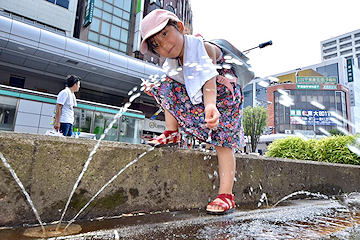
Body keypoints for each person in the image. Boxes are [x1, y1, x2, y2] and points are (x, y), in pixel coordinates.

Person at [140, 9, 245, 215]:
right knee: (162, 83)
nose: (164, 45)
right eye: (156, 45)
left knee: (222, 141)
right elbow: (174, 85)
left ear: (179, 27)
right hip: (203, 96)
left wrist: (210, 105)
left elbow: (208, 79)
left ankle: (226, 194)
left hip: (224, 95)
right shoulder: (173, 63)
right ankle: (172, 131)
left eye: (164, 34)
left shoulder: (202, 47)